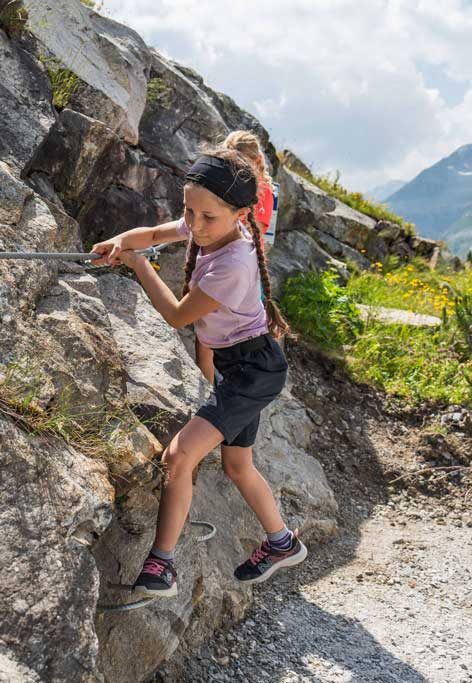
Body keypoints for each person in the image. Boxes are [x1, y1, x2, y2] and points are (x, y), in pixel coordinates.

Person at [91, 149, 306, 598]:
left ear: (241, 214)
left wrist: (138, 263)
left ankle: (161, 565)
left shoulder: (234, 264)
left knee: (179, 455)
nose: (196, 225)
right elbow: (152, 232)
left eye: (207, 216)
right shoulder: (205, 223)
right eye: (190, 211)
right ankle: (282, 542)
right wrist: (120, 243)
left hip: (253, 369)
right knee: (237, 464)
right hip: (243, 366)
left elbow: (176, 316)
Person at [193, 131, 278, 383]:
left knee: (233, 331)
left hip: (242, 267)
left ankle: (229, 386)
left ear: (255, 161)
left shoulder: (263, 191)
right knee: (205, 330)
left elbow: (256, 232)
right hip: (226, 260)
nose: (234, 168)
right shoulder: (238, 185)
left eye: (239, 162)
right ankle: (207, 384)